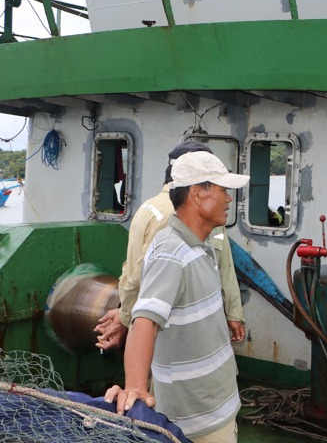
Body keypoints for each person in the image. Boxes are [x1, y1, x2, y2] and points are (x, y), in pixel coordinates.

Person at [105, 152, 250, 443]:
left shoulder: (202, 244)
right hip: (196, 424)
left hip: (218, 407)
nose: (229, 199)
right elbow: (144, 321)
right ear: (197, 193)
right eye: (223, 190)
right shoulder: (171, 253)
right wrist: (135, 387)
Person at [95, 141, 245, 351]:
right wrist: (127, 318)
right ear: (197, 188)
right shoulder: (177, 216)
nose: (228, 198)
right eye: (221, 187)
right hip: (173, 333)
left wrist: (233, 312)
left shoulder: (156, 208)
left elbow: (223, 265)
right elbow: (140, 275)